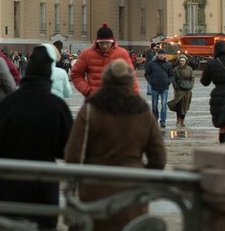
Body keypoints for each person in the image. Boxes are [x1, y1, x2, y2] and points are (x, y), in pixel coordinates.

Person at [65, 59, 166, 231]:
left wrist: (75, 181)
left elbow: (73, 153)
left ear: (105, 79)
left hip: (94, 185)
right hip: (132, 188)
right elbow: (159, 157)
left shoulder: (90, 108)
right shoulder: (143, 111)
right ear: (130, 80)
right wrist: (143, 175)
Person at [0, 46, 73, 229]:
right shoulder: (57, 107)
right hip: (44, 182)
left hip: (9, 182)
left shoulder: (7, 103)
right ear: (48, 75)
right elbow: (67, 148)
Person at [70, 23, 138, 99]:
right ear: (97, 42)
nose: (105, 46)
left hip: (118, 101)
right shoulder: (87, 54)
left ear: (112, 42)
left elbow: (131, 77)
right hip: (95, 100)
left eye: (107, 43)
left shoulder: (122, 54)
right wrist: (87, 90)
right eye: (101, 43)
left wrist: (134, 98)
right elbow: (76, 74)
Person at [145, 48, 174, 128]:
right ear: (157, 55)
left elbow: (172, 75)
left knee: (164, 105)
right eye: (160, 54)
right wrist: (151, 81)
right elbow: (147, 74)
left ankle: (163, 120)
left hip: (164, 88)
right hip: (155, 87)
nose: (161, 55)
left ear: (165, 55)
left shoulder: (168, 64)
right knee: (154, 105)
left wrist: (168, 81)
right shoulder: (152, 64)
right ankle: (155, 120)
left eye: (163, 54)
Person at [171, 55, 196, 127]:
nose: (182, 62)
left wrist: (191, 86)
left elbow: (192, 78)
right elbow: (173, 79)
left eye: (183, 61)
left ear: (186, 62)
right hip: (179, 90)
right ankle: (178, 120)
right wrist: (176, 86)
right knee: (179, 105)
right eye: (181, 61)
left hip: (187, 90)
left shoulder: (189, 69)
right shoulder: (176, 69)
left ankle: (182, 120)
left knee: (185, 105)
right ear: (178, 61)